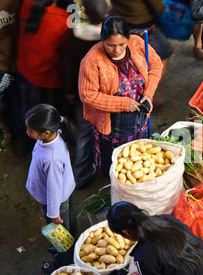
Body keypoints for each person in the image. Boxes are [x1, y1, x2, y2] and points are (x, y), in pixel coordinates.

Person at [78, 15, 163, 177]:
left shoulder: (138, 43)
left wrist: (149, 95)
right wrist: (124, 104)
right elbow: (88, 95)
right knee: (117, 164)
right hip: (113, 123)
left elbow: (156, 65)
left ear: (128, 38)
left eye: (122, 44)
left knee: (138, 158)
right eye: (110, 45)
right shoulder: (92, 61)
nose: (116, 50)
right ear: (102, 40)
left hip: (141, 116)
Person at [12, 0, 74, 156]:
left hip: (24, 70)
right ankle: (49, 146)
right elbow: (66, 55)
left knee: (25, 110)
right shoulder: (62, 19)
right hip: (47, 80)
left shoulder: (26, 4)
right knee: (46, 116)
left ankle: (24, 141)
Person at [25, 104, 77, 274]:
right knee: (68, 226)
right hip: (65, 193)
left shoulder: (52, 158)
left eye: (31, 130)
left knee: (61, 236)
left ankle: (62, 265)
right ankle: (72, 246)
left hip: (55, 201)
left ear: (46, 132)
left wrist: (53, 213)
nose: (27, 132)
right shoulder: (55, 135)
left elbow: (53, 187)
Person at [62, 0, 108, 189]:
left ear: (85, 13)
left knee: (84, 133)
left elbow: (67, 67)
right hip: (105, 94)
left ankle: (81, 175)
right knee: (107, 131)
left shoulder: (74, 34)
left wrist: (70, 91)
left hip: (82, 95)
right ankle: (104, 168)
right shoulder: (110, 37)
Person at [109, 0, 174, 81]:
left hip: (117, 24)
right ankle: (150, 88)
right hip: (141, 27)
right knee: (164, 52)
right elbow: (159, 8)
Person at [0, 0, 23, 152]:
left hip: (20, 61)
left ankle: (20, 134)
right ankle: (6, 129)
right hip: (2, 65)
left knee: (18, 102)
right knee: (2, 102)